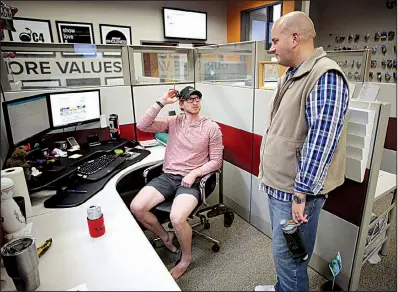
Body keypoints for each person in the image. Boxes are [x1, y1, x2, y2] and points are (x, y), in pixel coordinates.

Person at [255, 11, 349, 292]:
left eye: (275, 40)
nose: (271, 48)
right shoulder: (292, 75)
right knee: (283, 255)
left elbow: (321, 142)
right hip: (279, 185)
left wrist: (300, 193)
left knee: (291, 259)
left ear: (294, 38)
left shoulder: (325, 76)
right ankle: (282, 288)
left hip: (296, 192)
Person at [130, 86, 223, 280]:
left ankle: (185, 259)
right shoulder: (173, 122)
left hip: (192, 180)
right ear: (181, 104)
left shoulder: (210, 127)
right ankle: (166, 237)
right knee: (137, 207)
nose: (195, 102)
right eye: (190, 100)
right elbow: (142, 125)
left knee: (177, 217)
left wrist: (194, 173)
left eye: (197, 99)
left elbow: (216, 161)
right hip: (169, 176)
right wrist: (162, 101)